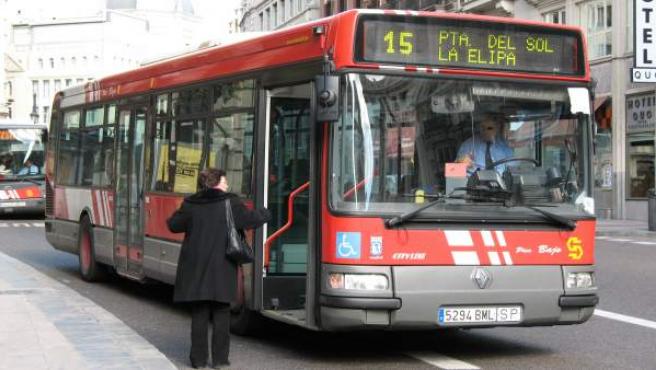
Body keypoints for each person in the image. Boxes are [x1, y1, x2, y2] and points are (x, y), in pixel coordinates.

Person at [167, 168, 270, 369]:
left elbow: (174, 225)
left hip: (195, 267)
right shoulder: (230, 203)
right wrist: (266, 213)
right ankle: (220, 360)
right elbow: (249, 220)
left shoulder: (190, 204)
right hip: (222, 266)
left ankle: (198, 360)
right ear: (215, 183)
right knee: (222, 313)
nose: (226, 185)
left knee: (199, 314)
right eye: (224, 181)